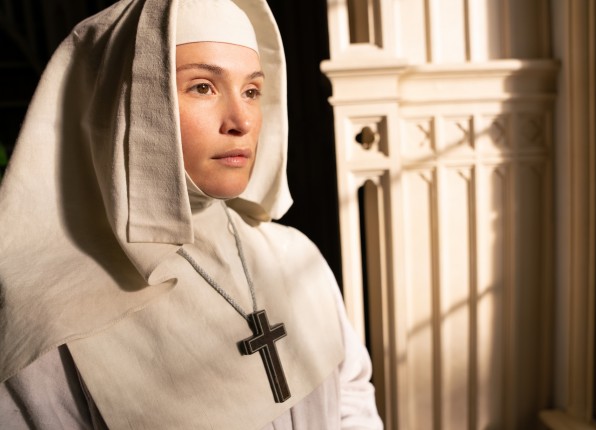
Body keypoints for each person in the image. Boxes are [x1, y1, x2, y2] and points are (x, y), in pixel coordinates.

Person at [0, 0, 383, 428]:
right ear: (125, 104)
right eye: (203, 87)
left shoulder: (297, 256)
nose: (241, 121)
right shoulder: (49, 318)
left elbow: (353, 397)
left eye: (252, 91)